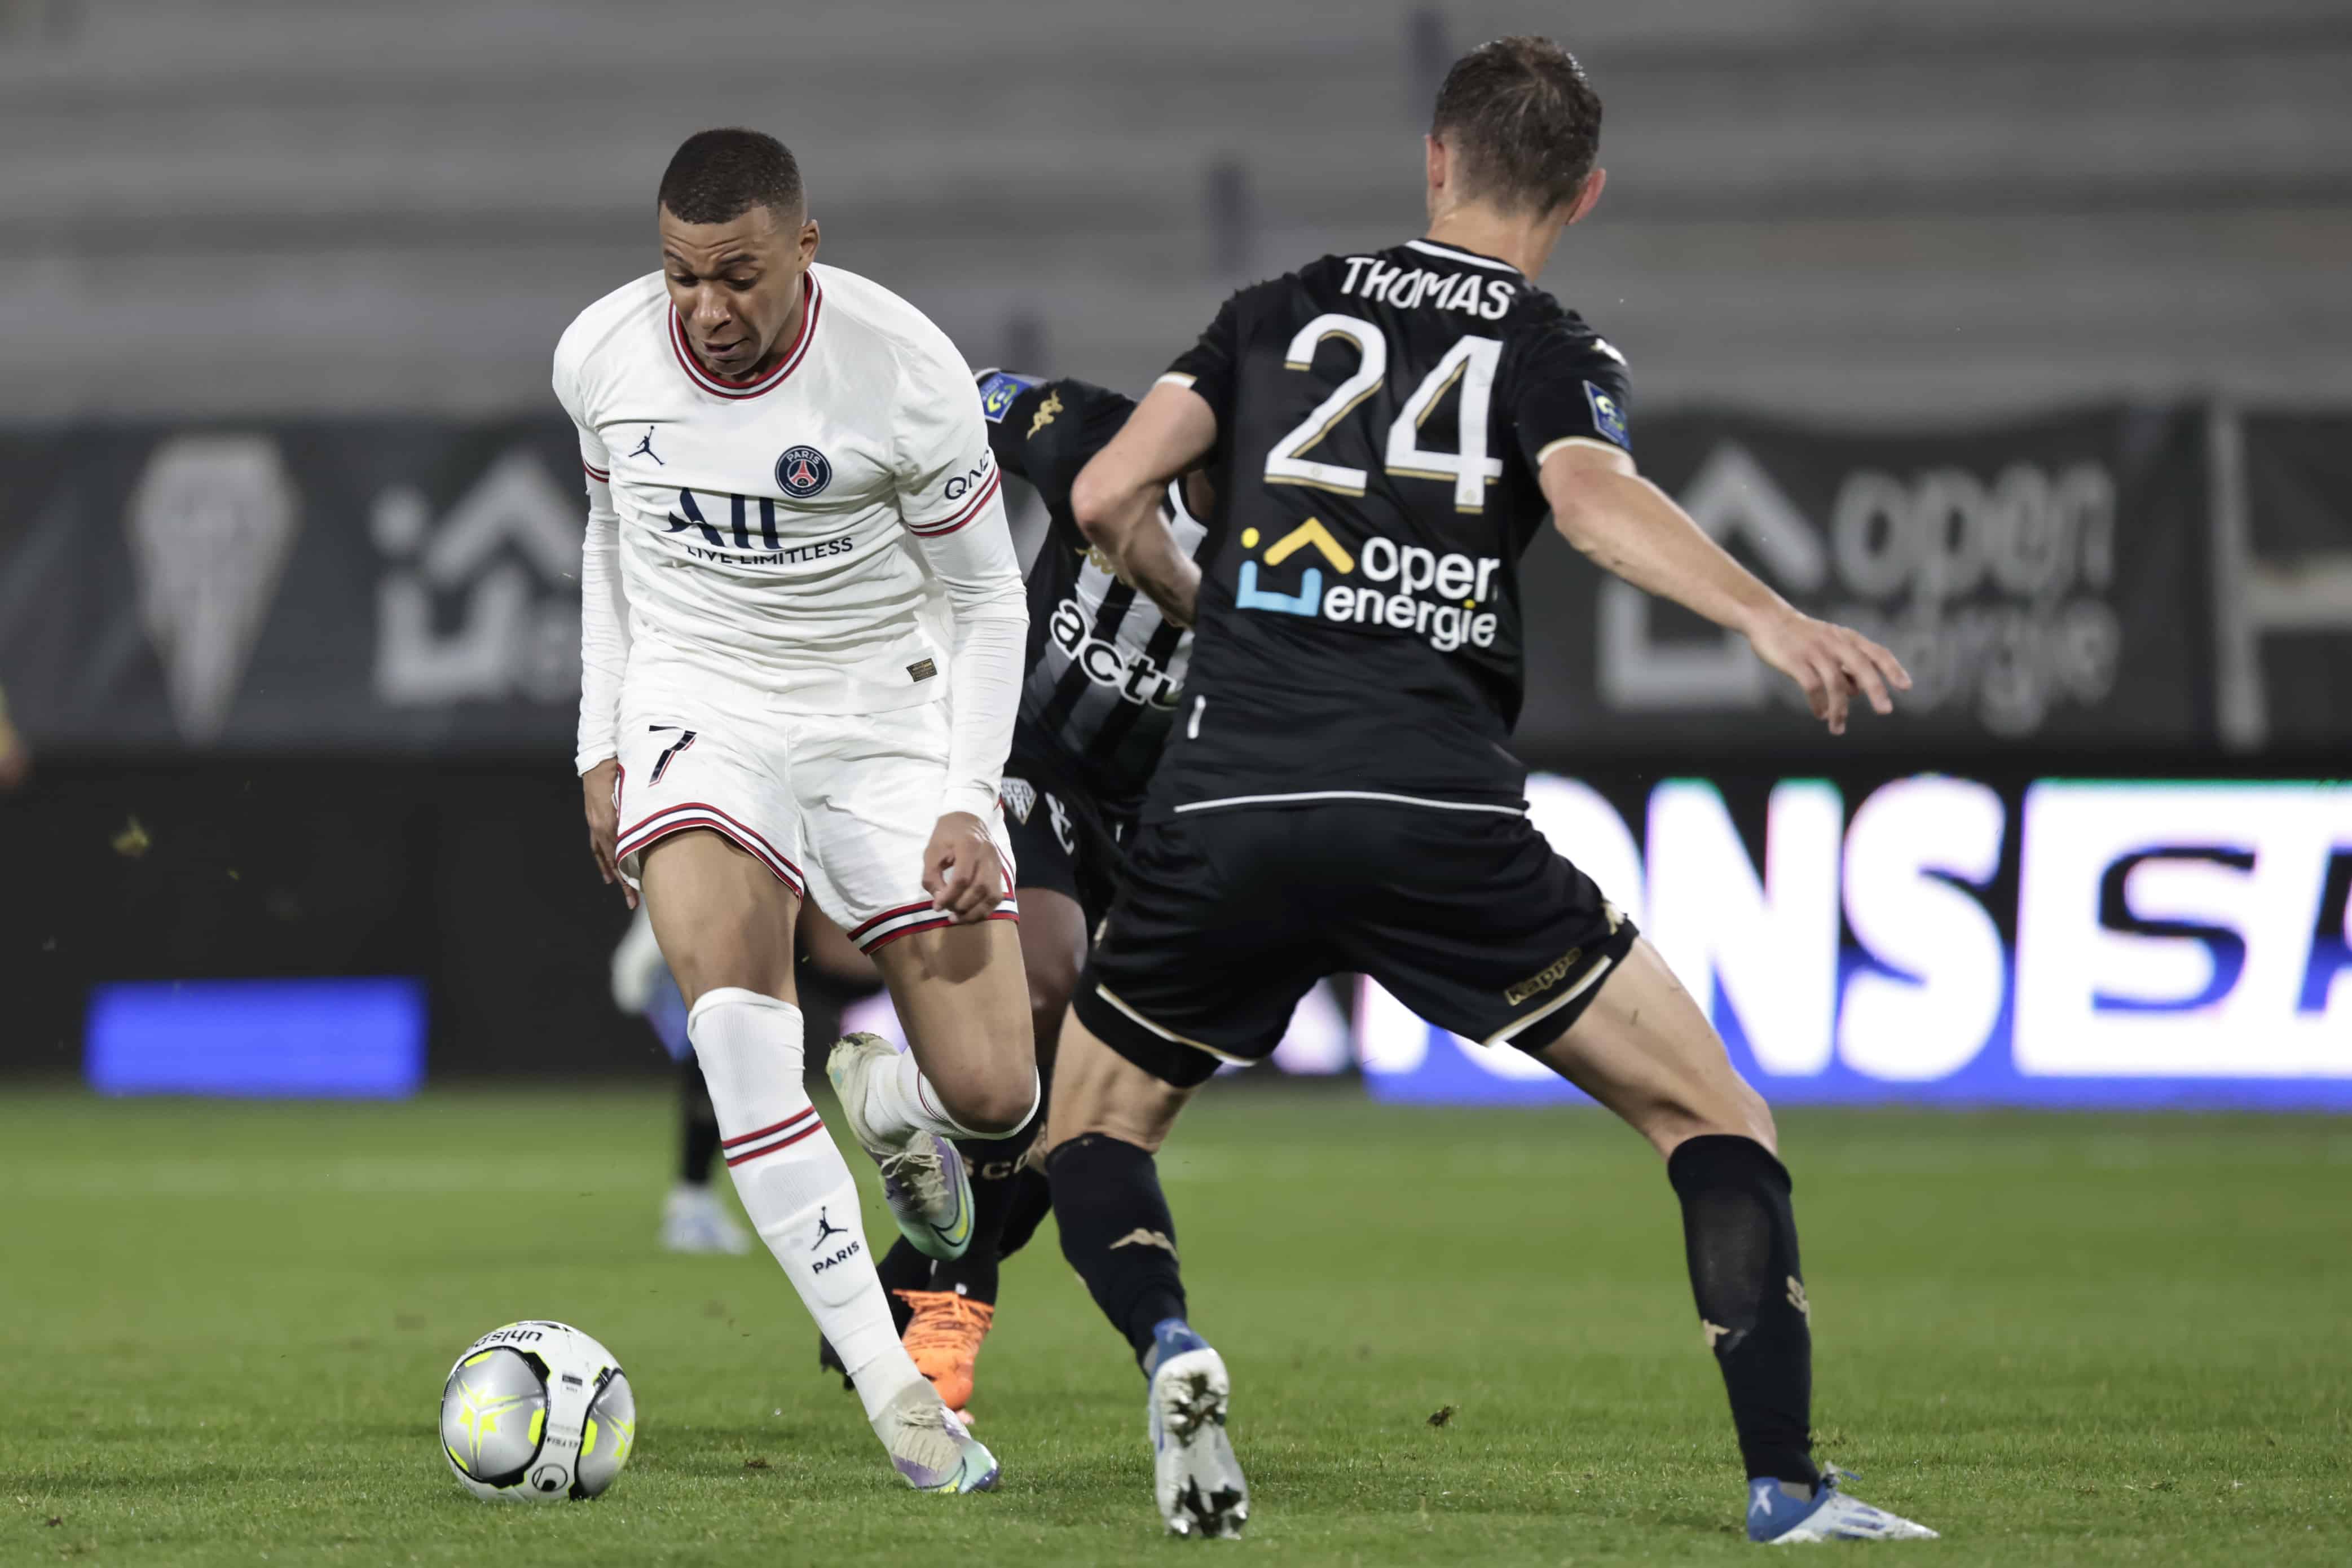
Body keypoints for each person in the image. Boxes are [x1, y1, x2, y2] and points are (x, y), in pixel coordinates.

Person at [1043, 37, 1938, 1543]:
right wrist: (1770, 619)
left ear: (1436, 160)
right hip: (1435, 817)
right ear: (1584, 193)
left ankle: (1172, 1342)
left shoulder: (1273, 314)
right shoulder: (1553, 350)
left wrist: (1208, 610)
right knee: (1710, 1116)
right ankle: (1786, 1484)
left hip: (1229, 803)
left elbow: (1097, 495)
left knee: (1097, 1128)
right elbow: (1588, 499)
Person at [559, 127, 1034, 1494]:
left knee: (1000, 1095)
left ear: (803, 250)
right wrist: (601, 741)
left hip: (884, 709)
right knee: (734, 1028)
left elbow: (989, 599)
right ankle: (899, 1395)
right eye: (681, 277)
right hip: (700, 698)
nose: (705, 309)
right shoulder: (601, 353)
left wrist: (970, 796)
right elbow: (609, 541)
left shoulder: (904, 370)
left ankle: (919, 1135)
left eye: (739, 277)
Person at [848, 369, 1219, 1417]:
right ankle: (954, 1316)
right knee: (1045, 982)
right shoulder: (1092, 440)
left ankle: (907, 1282)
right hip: (1022, 760)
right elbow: (939, 399)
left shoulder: (1296, 549)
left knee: (1087, 1112)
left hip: (1160, 822)